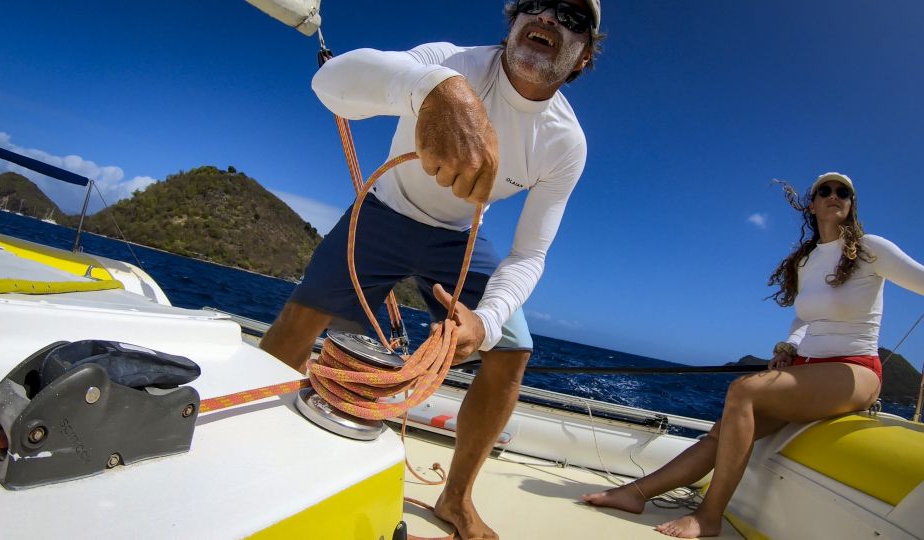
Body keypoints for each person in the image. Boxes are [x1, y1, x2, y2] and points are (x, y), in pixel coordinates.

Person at [260, 1, 605, 538]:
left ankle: (456, 498)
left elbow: (530, 255)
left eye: (573, 17)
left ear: (583, 55)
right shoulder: (450, 61)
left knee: (511, 350)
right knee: (302, 318)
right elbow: (331, 83)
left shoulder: (565, 143)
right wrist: (433, 89)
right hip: (383, 212)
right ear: (513, 22)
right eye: (535, 4)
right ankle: (252, 446)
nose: (550, 18)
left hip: (459, 239)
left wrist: (485, 323)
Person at [581, 172, 924, 538]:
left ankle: (709, 515)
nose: (835, 195)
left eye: (845, 192)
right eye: (825, 190)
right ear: (812, 204)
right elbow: (804, 318)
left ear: (852, 204)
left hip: (855, 371)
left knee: (744, 390)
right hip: (807, 368)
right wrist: (788, 347)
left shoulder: (872, 249)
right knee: (721, 433)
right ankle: (635, 493)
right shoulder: (808, 262)